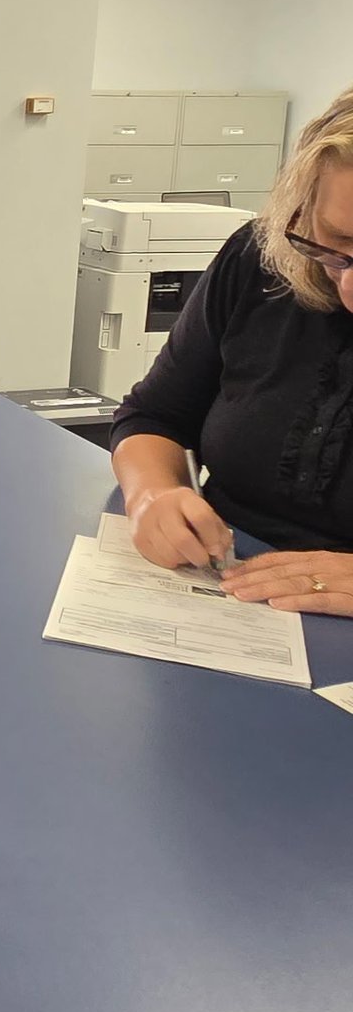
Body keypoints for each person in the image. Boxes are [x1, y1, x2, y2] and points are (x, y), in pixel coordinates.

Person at [110, 85, 353, 616]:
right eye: (337, 245)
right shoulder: (260, 258)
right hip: (227, 597)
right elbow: (154, 416)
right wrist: (153, 495)